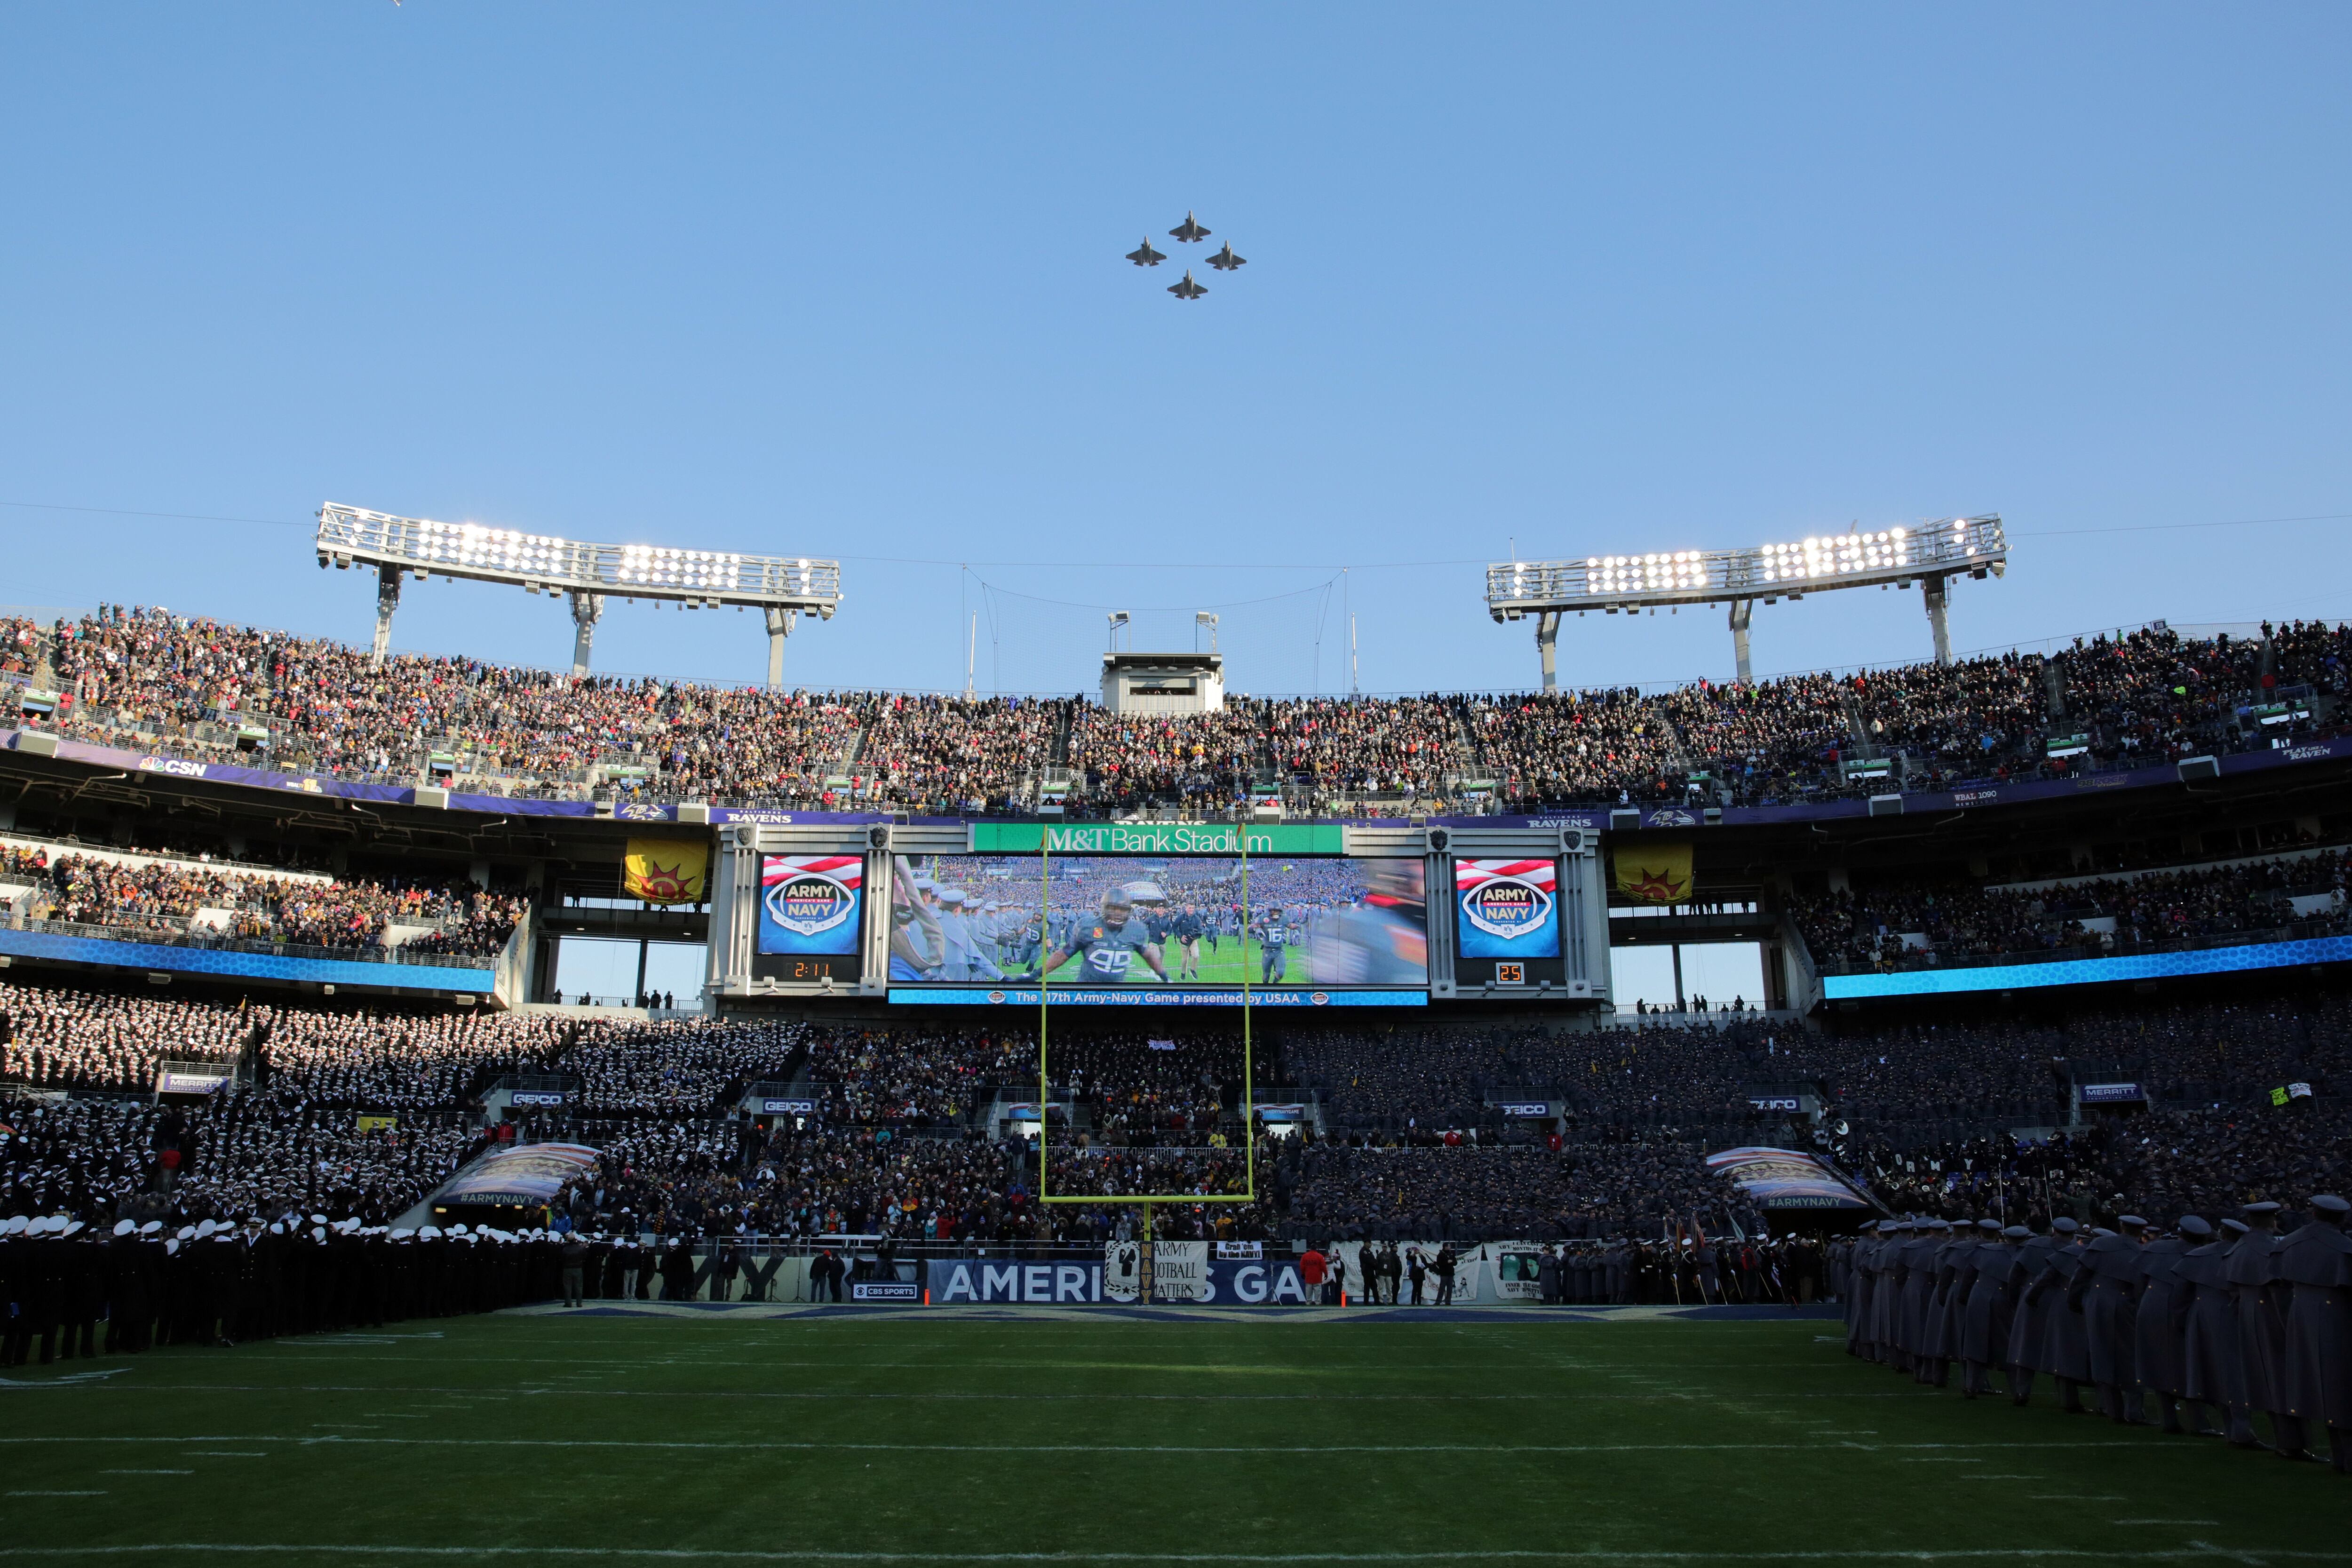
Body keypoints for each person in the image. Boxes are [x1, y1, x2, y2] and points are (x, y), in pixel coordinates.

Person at [559, 1230, 588, 1309]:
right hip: (578, 1268)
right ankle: (579, 1303)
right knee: (579, 1286)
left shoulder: (565, 1249)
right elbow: (585, 1257)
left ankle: (568, 1303)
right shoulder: (581, 1248)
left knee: (567, 1287)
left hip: (567, 1269)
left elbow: (562, 1259)